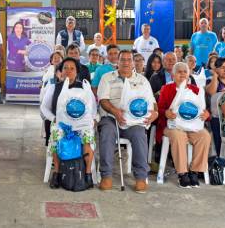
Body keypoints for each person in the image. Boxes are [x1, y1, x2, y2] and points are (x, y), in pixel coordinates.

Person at [97, 50, 157, 193]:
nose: (126, 62)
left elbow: (152, 102)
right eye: (122, 60)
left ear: (133, 62)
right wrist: (115, 111)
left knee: (139, 135)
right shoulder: (107, 78)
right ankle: (106, 175)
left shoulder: (142, 80)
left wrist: (155, 112)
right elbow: (103, 100)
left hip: (134, 121)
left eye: (129, 60)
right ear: (117, 62)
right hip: (111, 117)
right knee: (107, 132)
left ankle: (141, 177)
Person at [40, 58, 97, 190]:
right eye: (65, 68)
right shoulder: (54, 87)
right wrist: (54, 119)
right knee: (56, 133)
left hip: (81, 125)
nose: (68, 71)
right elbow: (44, 108)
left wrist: (92, 119)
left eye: (72, 68)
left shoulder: (84, 88)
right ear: (60, 71)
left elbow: (93, 108)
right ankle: (57, 173)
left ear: (77, 72)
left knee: (88, 134)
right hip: (62, 125)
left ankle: (87, 174)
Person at [157, 62, 211, 188]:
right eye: (179, 72)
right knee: (179, 136)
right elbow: (159, 109)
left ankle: (194, 171)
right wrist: (166, 113)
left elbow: (204, 110)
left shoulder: (196, 90)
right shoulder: (166, 89)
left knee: (205, 136)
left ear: (189, 75)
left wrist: (206, 114)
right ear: (173, 75)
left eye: (185, 72)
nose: (182, 74)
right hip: (171, 126)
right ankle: (182, 173)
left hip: (192, 126)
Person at [207, 57, 225, 155]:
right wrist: (215, 76)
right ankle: (219, 156)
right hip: (217, 116)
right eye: (222, 67)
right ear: (216, 69)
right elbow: (212, 92)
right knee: (218, 123)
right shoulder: (211, 81)